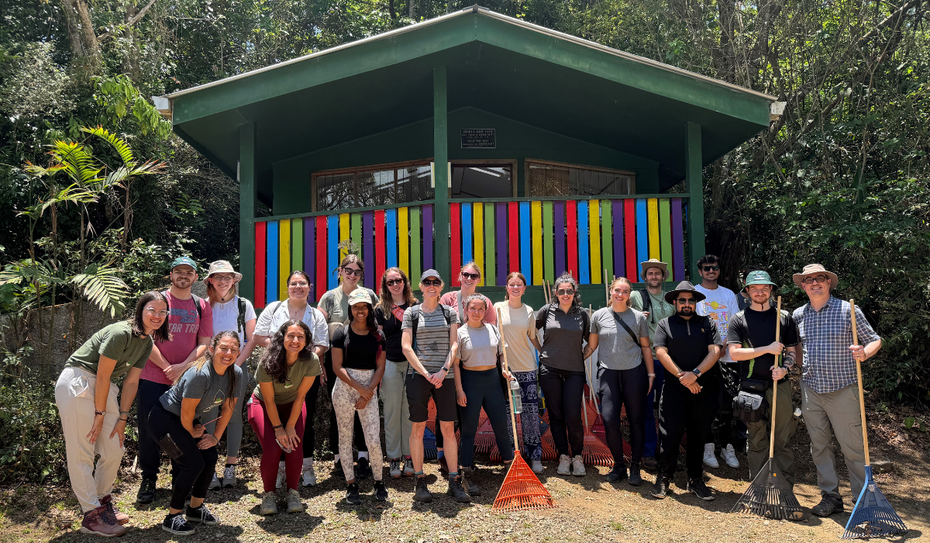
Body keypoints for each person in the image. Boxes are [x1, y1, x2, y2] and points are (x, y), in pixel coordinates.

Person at [55, 292, 169, 537]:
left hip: (103, 389)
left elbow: (131, 383)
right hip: (80, 381)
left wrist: (123, 417)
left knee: (114, 447)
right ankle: (91, 515)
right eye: (152, 310)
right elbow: (103, 374)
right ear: (141, 310)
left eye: (162, 312)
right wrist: (99, 413)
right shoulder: (120, 333)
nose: (157, 316)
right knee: (82, 450)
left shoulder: (147, 342)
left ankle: (101, 502)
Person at [791, 263, 881, 517]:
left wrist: (864, 353)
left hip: (843, 389)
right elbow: (797, 350)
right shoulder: (798, 315)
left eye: (820, 278)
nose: (815, 283)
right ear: (803, 286)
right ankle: (830, 497)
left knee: (852, 447)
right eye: (809, 280)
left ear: (829, 283)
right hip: (811, 389)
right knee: (819, 446)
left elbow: (875, 340)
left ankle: (863, 500)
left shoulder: (848, 311)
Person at [147, 331, 243, 536]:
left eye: (233, 349)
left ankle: (195, 509)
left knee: (209, 457)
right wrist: (191, 431)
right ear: (211, 350)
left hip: (187, 420)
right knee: (192, 464)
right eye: (223, 348)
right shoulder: (200, 374)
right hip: (164, 419)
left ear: (238, 353)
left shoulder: (236, 373)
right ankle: (172, 517)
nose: (228, 353)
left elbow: (228, 409)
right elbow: (186, 412)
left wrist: (215, 437)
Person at [137, 256, 213, 504]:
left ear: (195, 277)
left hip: (187, 381)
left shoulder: (202, 305)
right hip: (152, 376)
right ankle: (148, 478)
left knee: (183, 428)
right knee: (149, 431)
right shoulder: (157, 300)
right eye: (178, 271)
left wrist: (182, 368)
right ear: (170, 275)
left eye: (188, 272)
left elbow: (204, 343)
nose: (183, 275)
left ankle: (179, 477)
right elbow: (143, 336)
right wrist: (167, 367)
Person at [253, 270, 329, 488]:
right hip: (274, 370)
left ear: (309, 287)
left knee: (304, 421)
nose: (298, 287)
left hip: (306, 373)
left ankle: (306, 466)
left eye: (302, 283)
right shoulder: (274, 308)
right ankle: (280, 469)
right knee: (276, 420)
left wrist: (300, 355)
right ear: (287, 288)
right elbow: (259, 336)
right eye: (294, 283)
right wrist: (284, 352)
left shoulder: (316, 315)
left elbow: (322, 344)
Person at [402, 269, 470, 503]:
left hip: (445, 376)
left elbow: (454, 345)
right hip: (418, 376)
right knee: (418, 429)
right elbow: (406, 347)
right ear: (420, 287)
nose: (431, 285)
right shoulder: (411, 313)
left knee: (448, 429)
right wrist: (426, 373)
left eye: (435, 282)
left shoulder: (449, 312)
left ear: (441, 286)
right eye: (427, 282)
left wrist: (442, 371)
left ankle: (454, 480)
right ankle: (420, 480)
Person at [727, 271, 799, 488]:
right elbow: (735, 353)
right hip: (750, 388)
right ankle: (758, 489)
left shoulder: (784, 318)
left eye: (764, 288)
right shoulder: (738, 319)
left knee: (782, 439)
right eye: (755, 288)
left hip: (780, 385)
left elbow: (793, 351)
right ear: (747, 291)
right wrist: (766, 349)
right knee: (757, 439)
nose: (760, 292)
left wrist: (785, 368)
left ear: (770, 290)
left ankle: (784, 488)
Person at [650, 281, 722, 501]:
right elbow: (661, 353)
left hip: (703, 388)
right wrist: (684, 376)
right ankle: (664, 477)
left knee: (698, 435)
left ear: (696, 302)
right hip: (674, 388)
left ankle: (695, 479)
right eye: (682, 300)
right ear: (675, 302)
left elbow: (716, 351)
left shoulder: (708, 323)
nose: (687, 304)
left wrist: (696, 374)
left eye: (691, 300)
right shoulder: (665, 324)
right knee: (669, 434)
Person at [317, 255, 380, 481]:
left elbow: (377, 329)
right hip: (337, 366)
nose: (352, 275)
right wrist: (319, 363)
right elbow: (319, 331)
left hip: (365, 366)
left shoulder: (369, 295)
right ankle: (338, 459)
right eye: (348, 270)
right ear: (340, 271)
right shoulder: (329, 298)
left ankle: (363, 457)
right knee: (339, 413)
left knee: (364, 409)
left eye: (357, 272)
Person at [585, 277, 654, 486]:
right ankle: (618, 465)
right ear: (610, 292)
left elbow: (645, 347)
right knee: (609, 420)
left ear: (629, 294)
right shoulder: (598, 316)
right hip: (608, 374)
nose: (620, 294)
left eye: (624, 291)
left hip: (634, 373)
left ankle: (635, 467)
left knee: (636, 421)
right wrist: (575, 360)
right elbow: (591, 346)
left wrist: (651, 375)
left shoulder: (638, 318)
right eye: (617, 290)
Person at [249, 320, 320, 515]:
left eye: (300, 337)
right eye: (291, 335)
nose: (295, 340)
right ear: (282, 338)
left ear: (306, 341)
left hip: (293, 405)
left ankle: (293, 493)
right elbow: (270, 401)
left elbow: (300, 396)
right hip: (262, 404)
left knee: (293, 445)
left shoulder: (311, 360)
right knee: (273, 447)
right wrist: (279, 428)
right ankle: (269, 494)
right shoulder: (267, 361)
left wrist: (290, 427)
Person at [436, 262, 497, 474]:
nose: (469, 278)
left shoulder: (485, 303)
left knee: (466, 411)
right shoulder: (447, 299)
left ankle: (462, 454)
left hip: (471, 364)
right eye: (466, 274)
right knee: (445, 408)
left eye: (474, 275)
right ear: (459, 276)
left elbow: (490, 332)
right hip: (449, 359)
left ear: (479, 279)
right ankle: (442, 454)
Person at [203, 260, 257, 490]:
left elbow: (252, 338)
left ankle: (231, 466)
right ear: (210, 281)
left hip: (237, 366)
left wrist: (237, 363)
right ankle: (209, 467)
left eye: (228, 277)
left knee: (233, 414)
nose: (223, 281)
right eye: (218, 277)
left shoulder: (244, 305)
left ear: (234, 280)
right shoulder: (202, 306)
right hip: (208, 368)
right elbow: (201, 339)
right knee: (209, 415)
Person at [331, 290, 388, 504]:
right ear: (350, 308)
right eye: (356, 307)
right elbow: (337, 367)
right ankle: (351, 484)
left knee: (373, 439)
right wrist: (359, 389)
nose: (360, 310)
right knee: (345, 438)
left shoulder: (378, 335)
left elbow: (381, 367)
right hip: (344, 388)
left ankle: (379, 482)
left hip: (369, 387)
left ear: (370, 308)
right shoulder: (341, 333)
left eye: (364, 306)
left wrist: (368, 391)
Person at [455, 294, 515, 497]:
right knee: (468, 431)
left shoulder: (492, 329)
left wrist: (505, 369)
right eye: (473, 308)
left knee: (501, 426)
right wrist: (459, 390)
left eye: (481, 309)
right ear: (466, 310)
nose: (477, 312)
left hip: (492, 383)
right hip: (470, 383)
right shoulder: (460, 333)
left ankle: (509, 466)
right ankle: (467, 473)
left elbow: (501, 355)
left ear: (485, 311)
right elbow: (456, 365)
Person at [536, 273, 590, 477]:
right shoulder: (547, 311)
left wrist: (583, 355)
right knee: (556, 415)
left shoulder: (582, 314)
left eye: (569, 291)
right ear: (555, 293)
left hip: (575, 371)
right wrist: (541, 350)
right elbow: (530, 331)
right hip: (549, 369)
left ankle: (577, 456)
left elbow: (591, 341)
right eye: (561, 291)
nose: (565, 294)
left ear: (574, 292)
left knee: (573, 416)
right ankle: (563, 455)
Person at [693, 254, 741, 470]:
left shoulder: (728, 294)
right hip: (704, 359)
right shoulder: (694, 293)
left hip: (729, 356)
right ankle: (708, 446)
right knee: (707, 405)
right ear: (700, 271)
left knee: (728, 405)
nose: (711, 271)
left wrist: (724, 346)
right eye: (706, 268)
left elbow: (735, 322)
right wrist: (713, 349)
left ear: (719, 270)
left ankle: (727, 446)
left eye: (714, 267)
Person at [493, 272, 544, 474]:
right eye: (512, 284)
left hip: (527, 368)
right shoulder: (497, 308)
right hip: (506, 370)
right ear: (507, 287)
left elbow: (532, 338)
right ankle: (513, 456)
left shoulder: (529, 311)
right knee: (507, 415)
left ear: (524, 289)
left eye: (519, 285)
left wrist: (545, 354)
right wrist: (500, 363)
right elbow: (493, 337)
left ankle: (535, 456)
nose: (515, 288)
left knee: (531, 414)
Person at [629, 258, 674, 471]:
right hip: (643, 361)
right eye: (650, 273)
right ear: (645, 277)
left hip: (669, 362)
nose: (653, 276)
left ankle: (668, 453)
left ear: (663, 277)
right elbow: (618, 310)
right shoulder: (637, 296)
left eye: (657, 273)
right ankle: (647, 453)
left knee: (669, 408)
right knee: (645, 408)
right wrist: (637, 316)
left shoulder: (671, 299)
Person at [374, 267, 418, 479]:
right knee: (391, 412)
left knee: (409, 412)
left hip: (412, 364)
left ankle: (409, 456)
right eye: (390, 282)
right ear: (385, 285)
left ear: (405, 282)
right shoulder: (380, 309)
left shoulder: (415, 306)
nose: (395, 285)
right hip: (389, 362)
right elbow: (378, 341)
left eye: (398, 280)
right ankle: (393, 458)